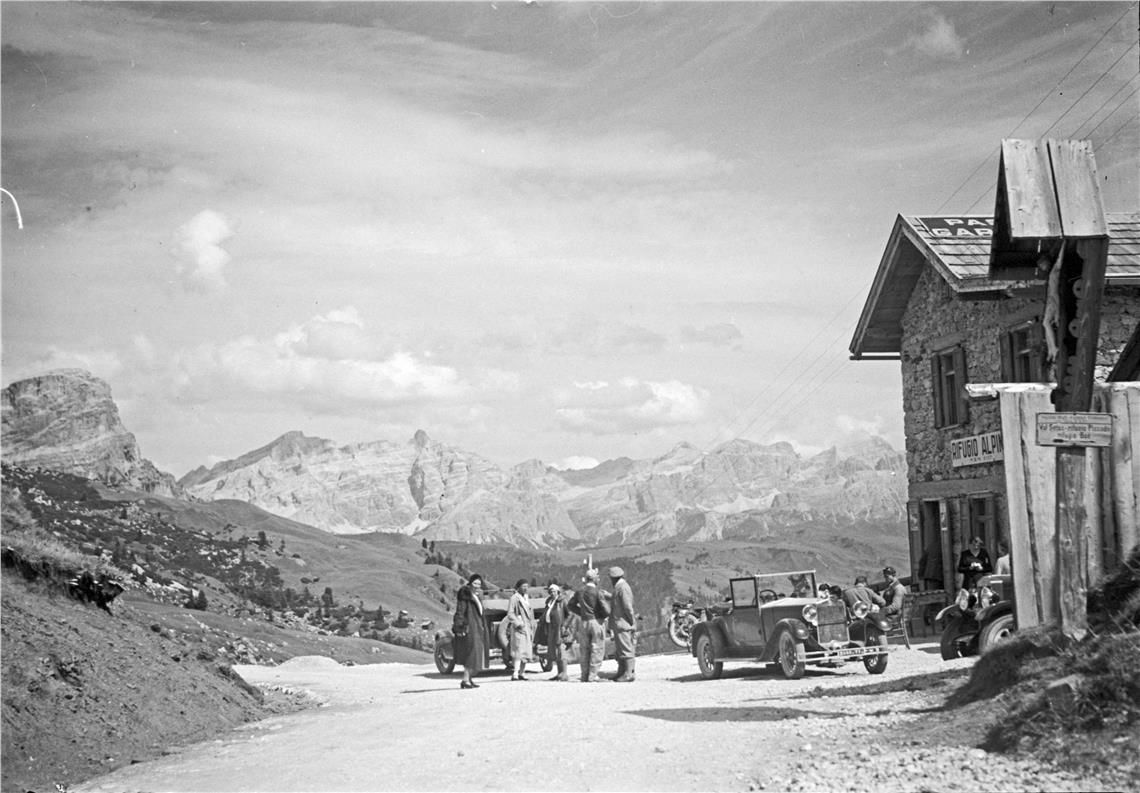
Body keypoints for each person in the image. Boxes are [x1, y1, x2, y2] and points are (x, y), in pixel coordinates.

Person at [567, 568, 609, 682]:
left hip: (584, 621)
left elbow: (570, 605)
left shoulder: (579, 591)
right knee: (597, 648)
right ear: (594, 579)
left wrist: (581, 612)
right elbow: (606, 610)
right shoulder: (597, 592)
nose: (598, 579)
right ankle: (593, 675)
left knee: (584, 649)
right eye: (598, 578)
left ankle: (584, 675)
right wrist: (603, 615)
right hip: (596, 621)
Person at [452, 573, 488, 690]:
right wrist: (459, 626)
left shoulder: (476, 595)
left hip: (477, 626)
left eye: (479, 584)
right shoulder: (465, 595)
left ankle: (469, 679)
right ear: (470, 583)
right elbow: (460, 611)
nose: (477, 585)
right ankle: (465, 680)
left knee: (475, 652)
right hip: (469, 627)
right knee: (471, 653)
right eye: (475, 583)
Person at [607, 566, 636, 682]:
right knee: (620, 650)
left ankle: (629, 673)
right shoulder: (619, 587)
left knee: (626, 648)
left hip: (623, 623)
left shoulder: (623, 588)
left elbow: (627, 606)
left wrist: (631, 621)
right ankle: (621, 671)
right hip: (619, 623)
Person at [506, 579, 536, 681]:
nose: (525, 588)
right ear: (518, 587)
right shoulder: (515, 598)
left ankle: (522, 673)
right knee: (518, 650)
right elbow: (510, 613)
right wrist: (518, 624)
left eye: (527, 586)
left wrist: (532, 624)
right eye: (523, 586)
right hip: (520, 627)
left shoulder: (526, 598)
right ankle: (515, 673)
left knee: (526, 651)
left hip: (527, 626)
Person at [540, 582, 570, 681]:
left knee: (561, 650)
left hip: (559, 628)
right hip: (551, 628)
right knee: (555, 651)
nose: (552, 593)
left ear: (557, 591)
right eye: (550, 591)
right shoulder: (549, 602)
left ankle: (564, 673)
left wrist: (564, 626)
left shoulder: (563, 601)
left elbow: (569, 615)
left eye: (553, 591)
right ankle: (559, 673)